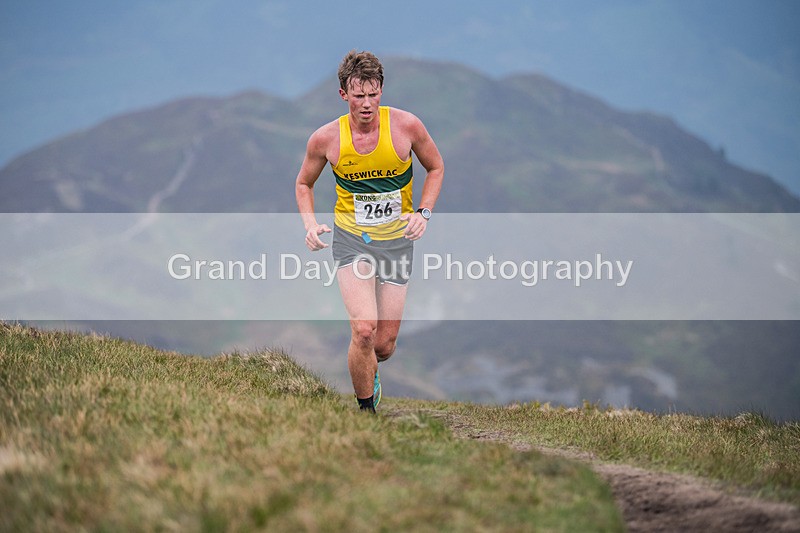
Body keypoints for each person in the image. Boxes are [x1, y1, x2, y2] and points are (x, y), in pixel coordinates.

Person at [295, 50, 444, 413]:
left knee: (383, 345)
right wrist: (311, 225)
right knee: (363, 330)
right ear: (343, 94)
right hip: (351, 241)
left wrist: (423, 213)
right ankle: (366, 413)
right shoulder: (326, 139)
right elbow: (303, 184)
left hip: (396, 243)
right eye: (358, 95)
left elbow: (436, 167)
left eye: (373, 94)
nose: (366, 104)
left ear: (381, 91)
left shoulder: (407, 127)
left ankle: (371, 368)